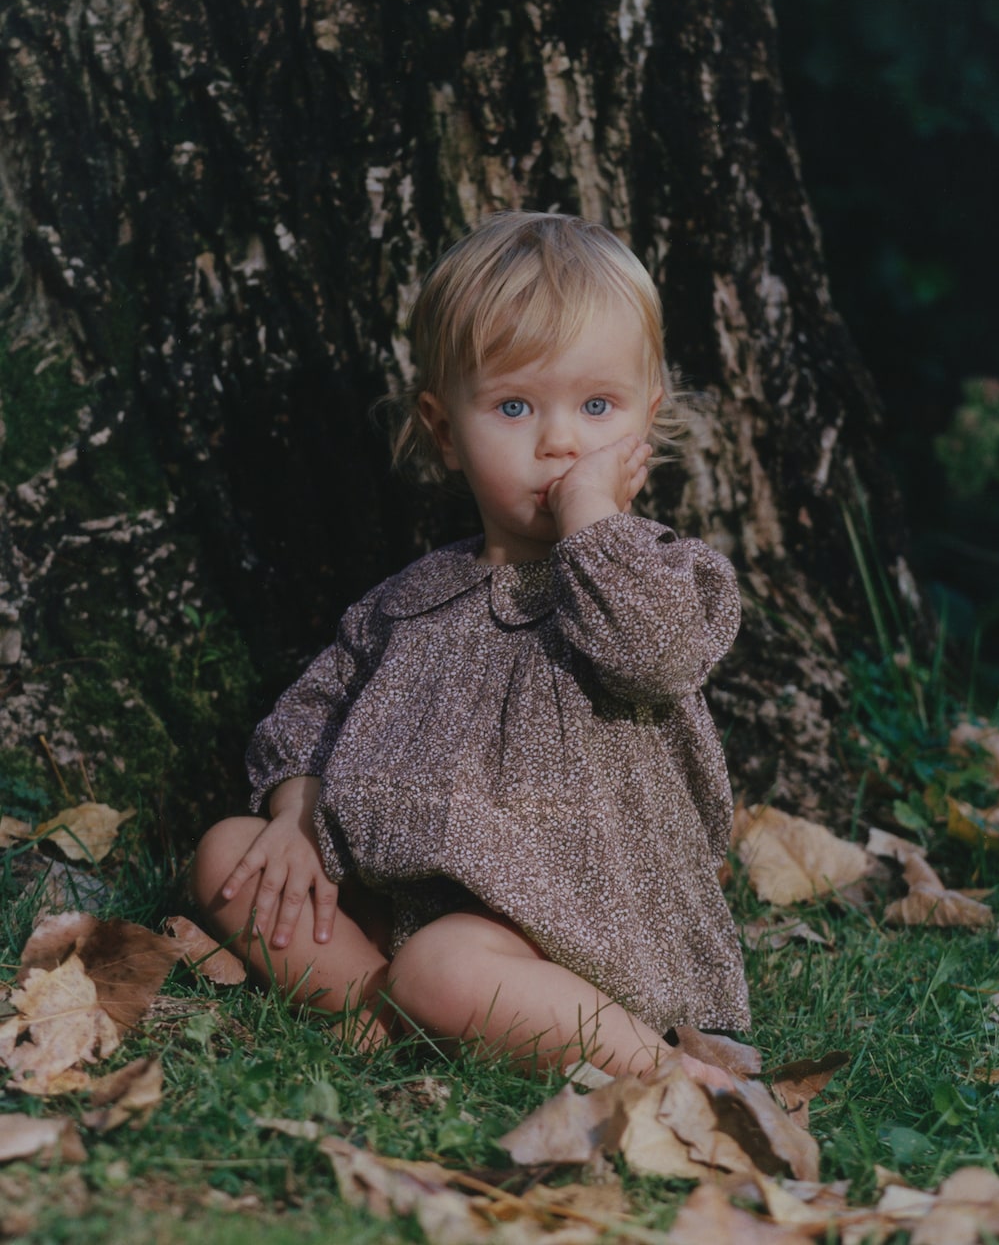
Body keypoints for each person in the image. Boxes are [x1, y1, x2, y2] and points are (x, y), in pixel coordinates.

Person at [191, 211, 749, 1083]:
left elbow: (655, 655)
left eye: (597, 407)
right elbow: (309, 716)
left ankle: (683, 1081)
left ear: (646, 423)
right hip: (415, 901)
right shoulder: (408, 602)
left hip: (586, 924)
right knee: (230, 856)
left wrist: (591, 518)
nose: (560, 441)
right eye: (514, 407)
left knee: (447, 964)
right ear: (446, 431)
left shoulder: (656, 572)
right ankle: (386, 1023)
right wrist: (295, 814)